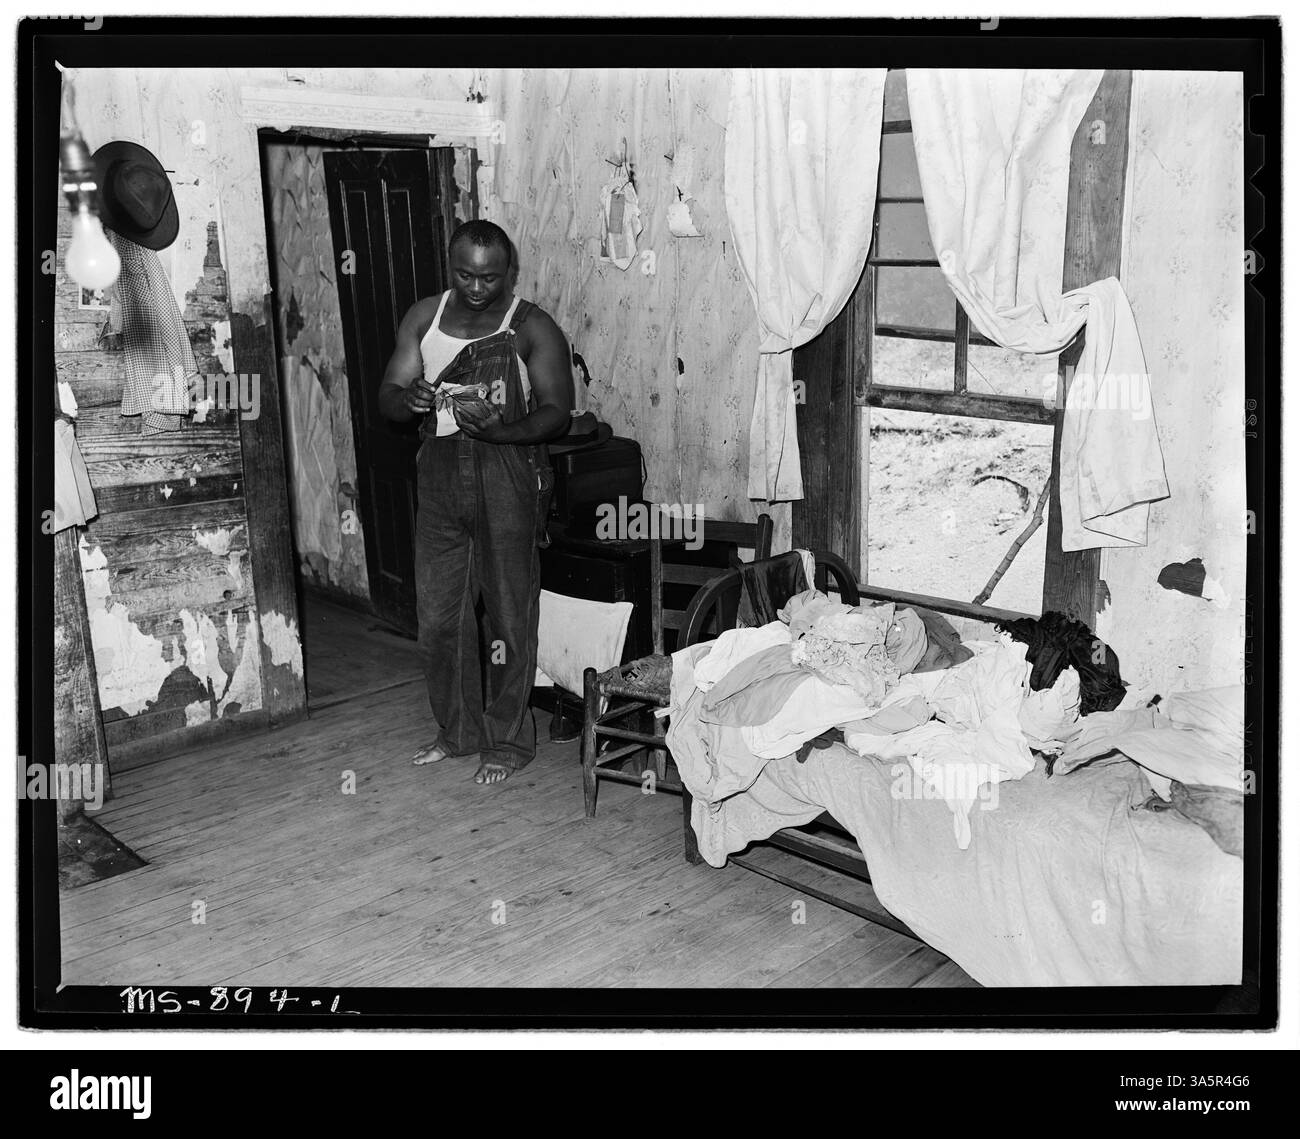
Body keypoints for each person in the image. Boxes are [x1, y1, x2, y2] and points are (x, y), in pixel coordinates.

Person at [378, 220, 573, 785]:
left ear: (508, 271)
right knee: (440, 618)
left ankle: (509, 742)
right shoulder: (425, 317)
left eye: (490, 276)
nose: (478, 287)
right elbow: (387, 398)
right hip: (438, 474)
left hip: (506, 472)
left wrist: (501, 432)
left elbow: (557, 410)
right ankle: (457, 732)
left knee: (510, 616)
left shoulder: (532, 326)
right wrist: (408, 399)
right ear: (451, 265)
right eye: (466, 274)